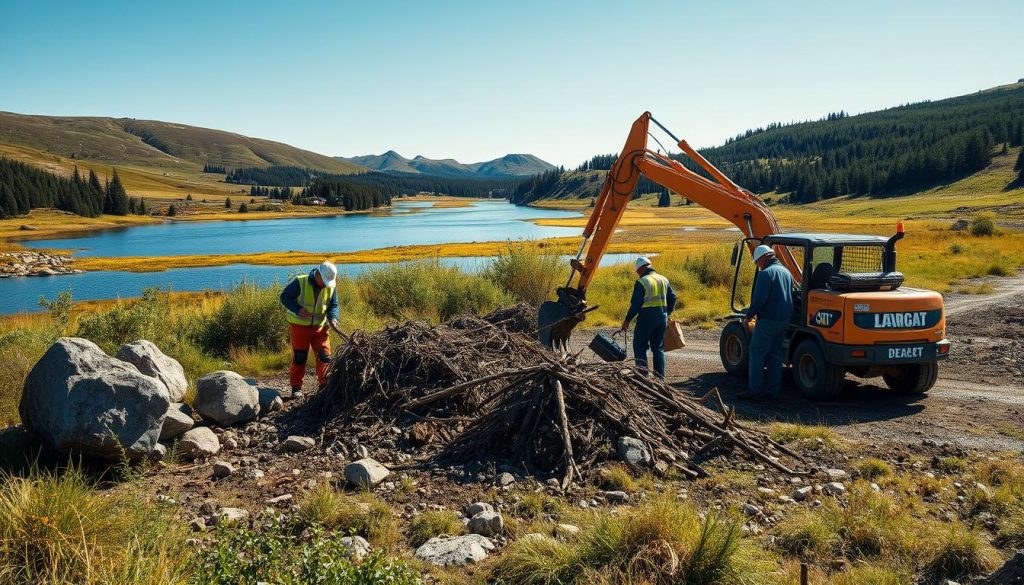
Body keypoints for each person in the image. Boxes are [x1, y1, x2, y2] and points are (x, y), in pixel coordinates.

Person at [280, 261, 340, 398]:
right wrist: (298, 310)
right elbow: (284, 297)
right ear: (317, 273)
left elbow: (333, 305)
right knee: (300, 357)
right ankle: (296, 388)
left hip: (321, 327)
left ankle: (324, 386)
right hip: (299, 327)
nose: (325, 284)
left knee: (325, 357)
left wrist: (334, 319)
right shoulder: (300, 282)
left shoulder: (331, 286)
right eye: (324, 280)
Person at [742, 245, 794, 400]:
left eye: (757, 262)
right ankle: (772, 392)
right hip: (784, 321)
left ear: (764, 258)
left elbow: (760, 299)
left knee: (756, 353)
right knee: (776, 355)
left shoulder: (766, 274)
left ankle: (755, 391)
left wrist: (749, 315)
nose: (758, 265)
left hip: (768, 321)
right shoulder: (786, 272)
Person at [619, 257, 676, 379]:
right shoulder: (663, 279)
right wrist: (667, 313)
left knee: (639, 346)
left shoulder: (642, 282)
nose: (638, 273)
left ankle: (642, 376)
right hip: (662, 317)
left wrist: (627, 320)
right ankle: (659, 378)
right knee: (658, 348)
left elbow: (635, 305)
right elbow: (673, 298)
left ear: (643, 267)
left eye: (638, 271)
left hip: (646, 318)